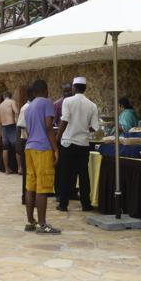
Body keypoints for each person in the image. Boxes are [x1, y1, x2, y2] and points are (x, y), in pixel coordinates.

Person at [57, 76, 99, 212]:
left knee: (66, 175)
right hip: (83, 144)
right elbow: (94, 127)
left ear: (74, 88)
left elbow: (64, 121)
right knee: (83, 175)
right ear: (85, 88)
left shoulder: (67, 101)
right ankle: (85, 204)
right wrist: (83, 126)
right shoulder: (92, 105)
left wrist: (57, 138)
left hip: (68, 143)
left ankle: (63, 204)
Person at [24, 79, 61, 234]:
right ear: (45, 90)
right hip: (43, 149)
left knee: (30, 185)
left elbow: (28, 129)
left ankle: (30, 221)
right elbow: (48, 127)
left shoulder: (28, 107)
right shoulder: (47, 102)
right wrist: (55, 148)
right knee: (43, 186)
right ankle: (42, 224)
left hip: (29, 148)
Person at [16, 86, 33, 205]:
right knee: (27, 171)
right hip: (26, 141)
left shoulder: (35, 107)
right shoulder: (25, 108)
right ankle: (25, 196)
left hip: (33, 142)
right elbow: (20, 126)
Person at [0, 91, 19, 175]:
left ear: (4, 97)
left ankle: (7, 169)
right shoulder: (11, 102)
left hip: (4, 127)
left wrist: (0, 131)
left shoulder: (0, 105)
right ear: (10, 96)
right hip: (11, 126)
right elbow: (16, 111)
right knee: (16, 147)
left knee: (5, 148)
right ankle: (20, 168)